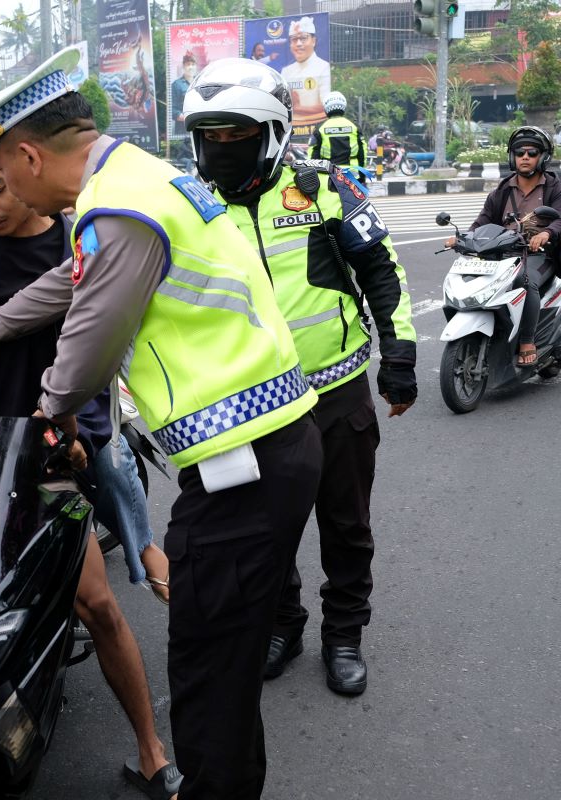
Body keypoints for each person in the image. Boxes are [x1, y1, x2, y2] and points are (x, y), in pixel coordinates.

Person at [0, 46, 322, 800]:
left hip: (240, 469)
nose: (1, 196)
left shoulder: (118, 206)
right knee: (227, 664)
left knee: (207, 673)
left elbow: (88, 339)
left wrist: (50, 413)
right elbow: (72, 279)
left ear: (25, 155)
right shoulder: (137, 179)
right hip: (268, 446)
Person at [0, 126, 182, 795]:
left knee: (96, 603)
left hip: (49, 451)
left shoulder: (82, 242)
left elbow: (99, 361)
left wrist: (80, 439)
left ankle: (152, 747)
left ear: (25, 165)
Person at [183, 58, 418, 697]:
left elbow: (383, 270)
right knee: (268, 528)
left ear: (273, 131)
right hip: (254, 402)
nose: (223, 149)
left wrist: (399, 356)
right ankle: (284, 623)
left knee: (345, 522)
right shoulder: (190, 204)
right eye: (213, 137)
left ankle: (345, 632)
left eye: (239, 135)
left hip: (337, 388)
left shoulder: (323, 187)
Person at [444, 125, 561, 366]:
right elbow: (484, 219)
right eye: (520, 153)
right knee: (466, 278)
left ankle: (527, 340)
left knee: (525, 282)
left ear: (542, 157)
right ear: (513, 156)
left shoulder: (554, 187)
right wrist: (464, 237)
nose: (525, 157)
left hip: (540, 254)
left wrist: (547, 233)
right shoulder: (503, 189)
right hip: (502, 252)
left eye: (531, 152)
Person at [280, 16, 330, 125]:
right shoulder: (286, 72)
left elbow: (327, 106)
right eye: (294, 39)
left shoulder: (324, 68)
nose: (298, 44)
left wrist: (298, 108)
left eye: (303, 38)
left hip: (318, 128)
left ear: (313, 41)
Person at [309, 90, 367, 170]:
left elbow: (313, 154)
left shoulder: (320, 129)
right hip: (352, 174)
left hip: (329, 175)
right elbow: (362, 152)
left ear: (326, 109)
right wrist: (362, 174)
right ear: (344, 106)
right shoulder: (354, 127)